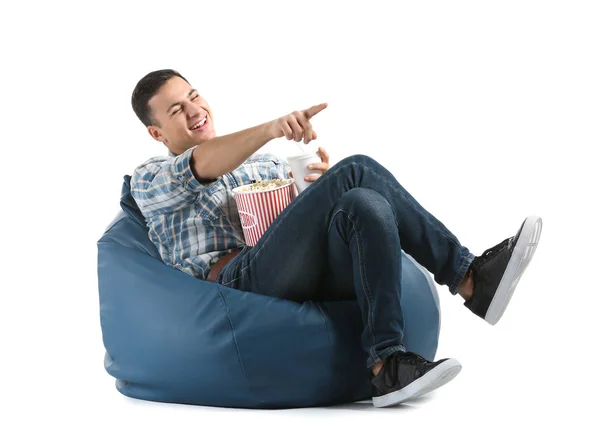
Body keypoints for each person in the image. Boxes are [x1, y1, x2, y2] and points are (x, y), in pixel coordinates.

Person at [129, 69, 542, 408]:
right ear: (157, 133)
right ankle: (469, 277)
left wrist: (320, 190)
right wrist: (273, 128)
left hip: (289, 267)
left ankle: (387, 364)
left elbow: (296, 227)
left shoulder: (262, 164)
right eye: (176, 110)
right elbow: (201, 163)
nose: (194, 110)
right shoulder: (150, 179)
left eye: (195, 96)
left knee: (362, 200)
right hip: (236, 285)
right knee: (357, 168)